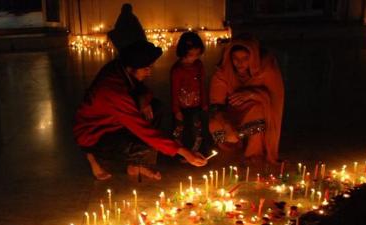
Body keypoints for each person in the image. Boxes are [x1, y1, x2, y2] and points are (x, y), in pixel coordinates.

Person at [74, 40, 208, 180]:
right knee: (145, 146)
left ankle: (136, 165)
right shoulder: (114, 92)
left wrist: (143, 100)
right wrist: (184, 152)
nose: (149, 72)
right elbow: (143, 130)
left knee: (155, 108)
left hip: (115, 121)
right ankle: (93, 156)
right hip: (95, 133)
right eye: (146, 68)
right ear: (131, 68)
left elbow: (143, 90)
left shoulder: (120, 68)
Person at [209, 36, 284, 164]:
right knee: (214, 125)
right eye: (235, 58)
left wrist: (252, 94)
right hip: (231, 117)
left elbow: (274, 100)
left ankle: (253, 152)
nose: (240, 63)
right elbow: (216, 105)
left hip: (255, 115)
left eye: (245, 58)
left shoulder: (266, 70)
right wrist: (227, 126)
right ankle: (234, 146)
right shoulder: (223, 73)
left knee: (258, 109)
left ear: (253, 57)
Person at [171, 32, 208, 155]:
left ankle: (196, 151)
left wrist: (204, 103)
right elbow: (174, 90)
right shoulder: (177, 70)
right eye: (191, 55)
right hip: (182, 107)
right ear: (183, 52)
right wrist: (176, 110)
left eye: (197, 54)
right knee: (181, 129)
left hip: (196, 106)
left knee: (196, 129)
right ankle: (181, 152)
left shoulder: (198, 65)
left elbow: (202, 84)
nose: (194, 57)